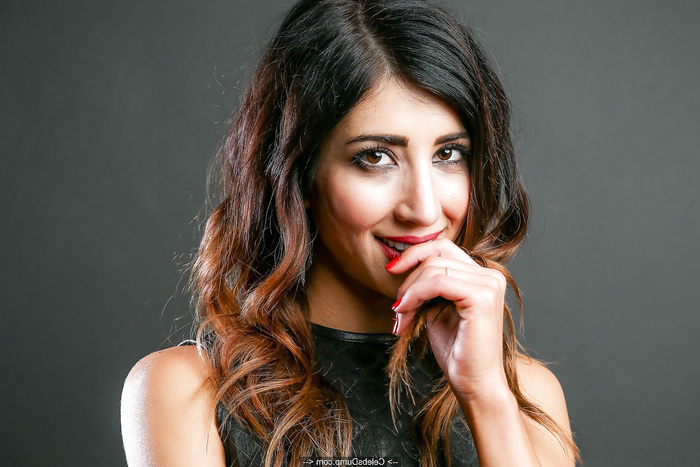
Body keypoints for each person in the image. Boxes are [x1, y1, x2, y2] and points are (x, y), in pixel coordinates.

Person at [121, 0, 580, 465]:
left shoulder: (526, 395)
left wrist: (485, 396)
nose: (424, 210)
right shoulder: (189, 390)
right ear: (299, 175)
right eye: (375, 157)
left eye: (448, 154)